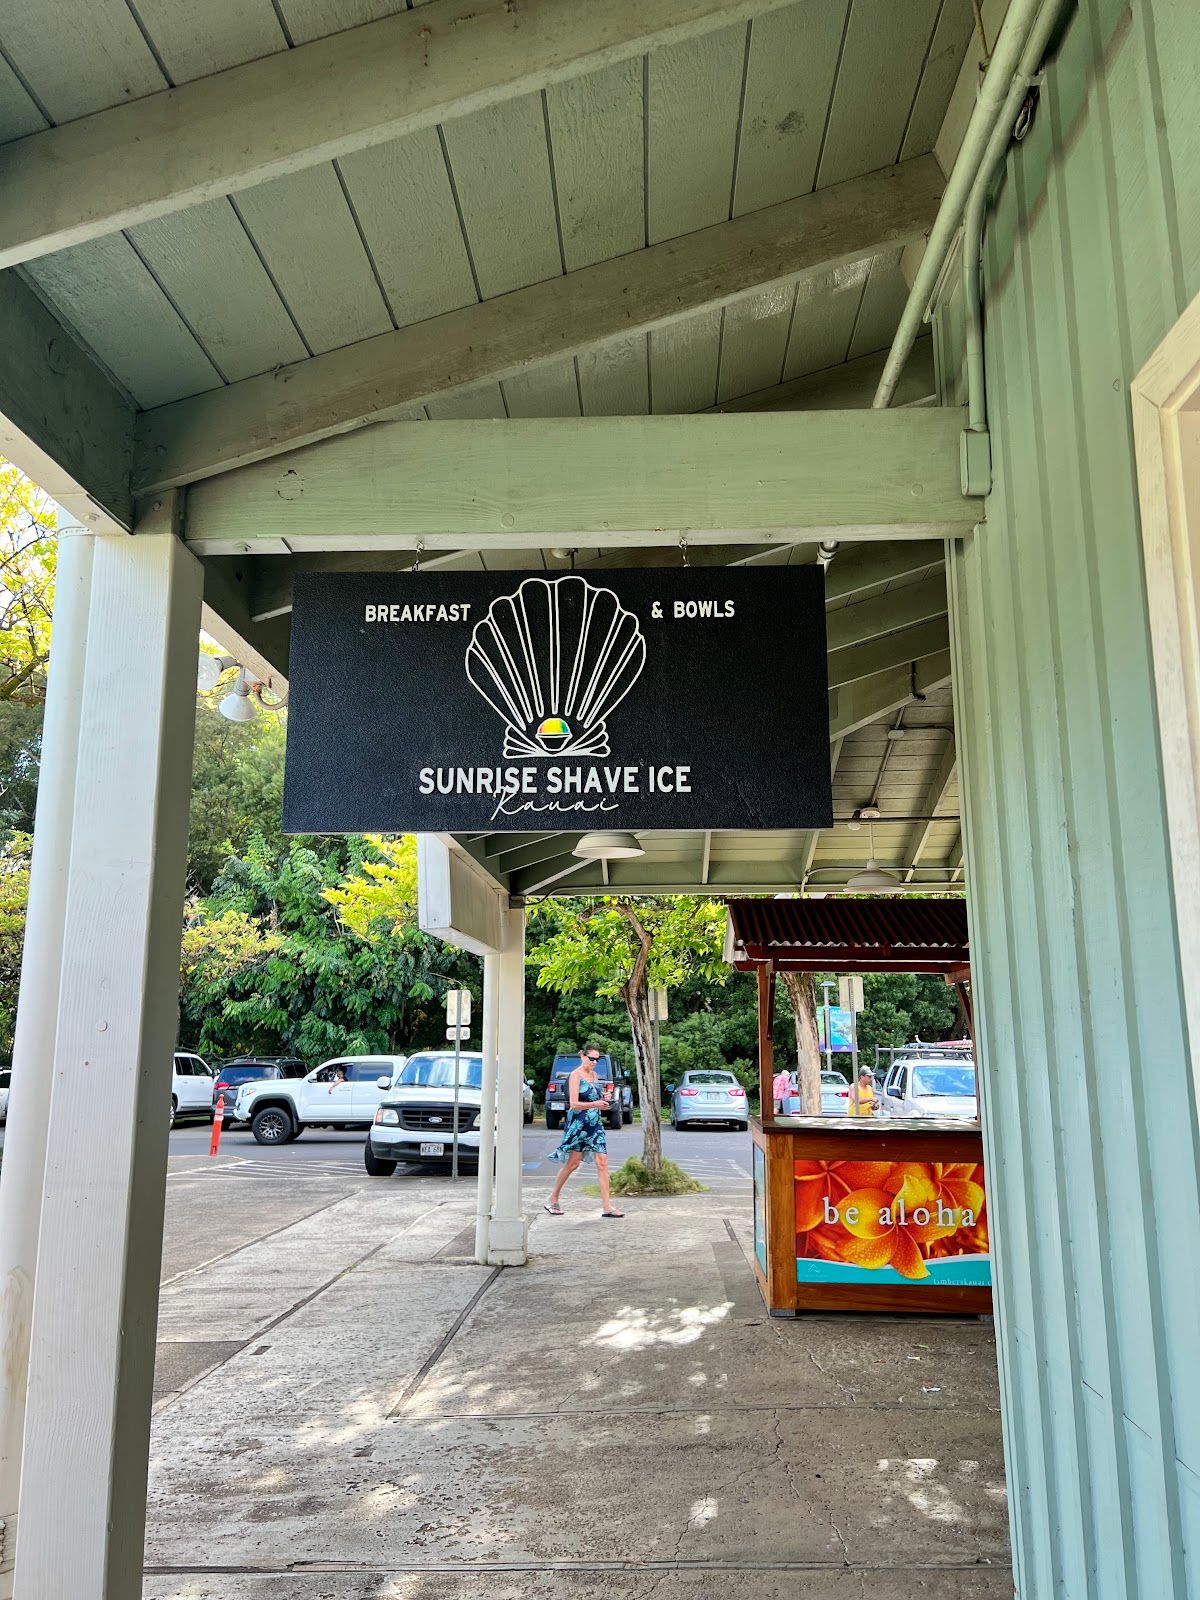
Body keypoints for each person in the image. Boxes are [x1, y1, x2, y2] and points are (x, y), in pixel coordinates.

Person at [543, 1044, 624, 1218]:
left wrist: (604, 1099)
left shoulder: (595, 1075)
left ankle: (607, 1207)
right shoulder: (575, 1076)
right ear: (583, 1057)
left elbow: (596, 1098)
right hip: (578, 1124)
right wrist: (595, 1104)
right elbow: (574, 1104)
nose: (594, 1062)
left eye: (597, 1059)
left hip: (595, 1124)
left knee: (602, 1162)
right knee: (573, 1163)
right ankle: (552, 1198)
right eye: (591, 1058)